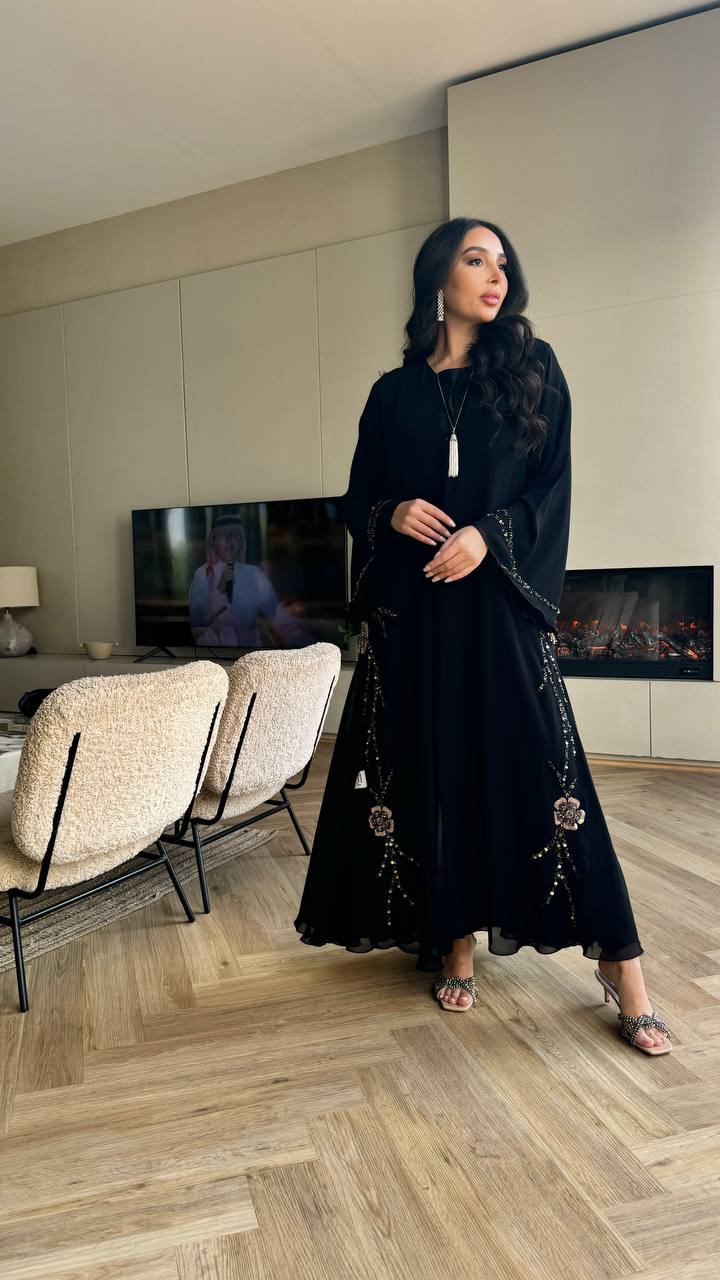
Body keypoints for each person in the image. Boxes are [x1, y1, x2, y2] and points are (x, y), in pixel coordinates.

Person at [293, 218, 672, 1055]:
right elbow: (357, 499)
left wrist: (488, 536)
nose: (496, 275)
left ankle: (623, 966)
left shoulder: (534, 371)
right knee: (430, 771)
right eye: (476, 260)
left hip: (497, 606)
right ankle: (453, 939)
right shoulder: (392, 394)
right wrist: (392, 512)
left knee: (551, 769)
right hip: (414, 616)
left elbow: (552, 486)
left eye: (503, 263)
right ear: (439, 277)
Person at [188, 514, 313, 648]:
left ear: (241, 541)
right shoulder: (203, 575)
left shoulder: (254, 574)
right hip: (213, 653)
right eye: (223, 535)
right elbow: (196, 629)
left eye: (234, 535)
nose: (229, 541)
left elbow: (276, 615)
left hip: (251, 654)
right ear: (214, 541)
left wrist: (308, 647)